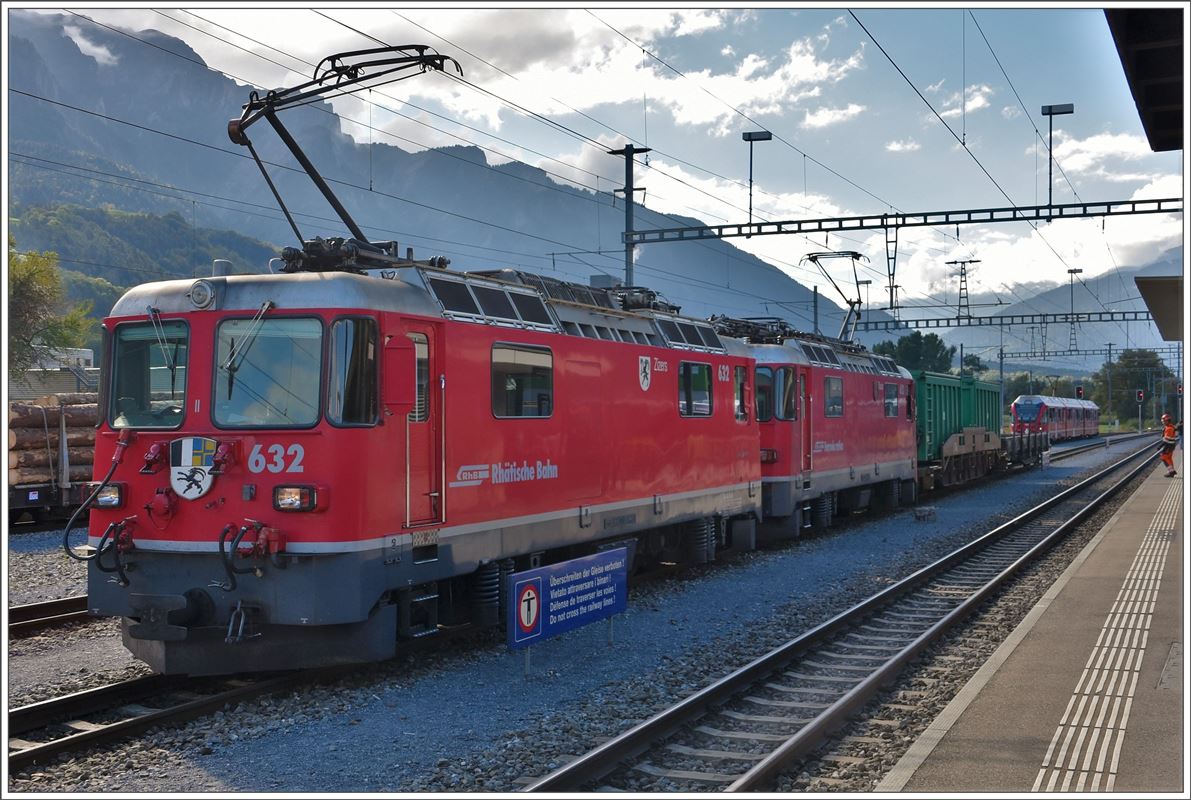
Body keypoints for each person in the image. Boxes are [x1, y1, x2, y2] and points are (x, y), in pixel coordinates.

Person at [1159, 413, 1178, 477]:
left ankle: (1171, 471)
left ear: (1167, 421)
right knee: (1169, 458)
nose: (1163, 422)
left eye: (1163, 421)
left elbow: (1166, 439)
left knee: (1163, 457)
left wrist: (1160, 446)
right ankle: (1171, 471)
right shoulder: (1170, 427)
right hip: (1171, 445)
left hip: (1168, 445)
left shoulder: (1169, 428)